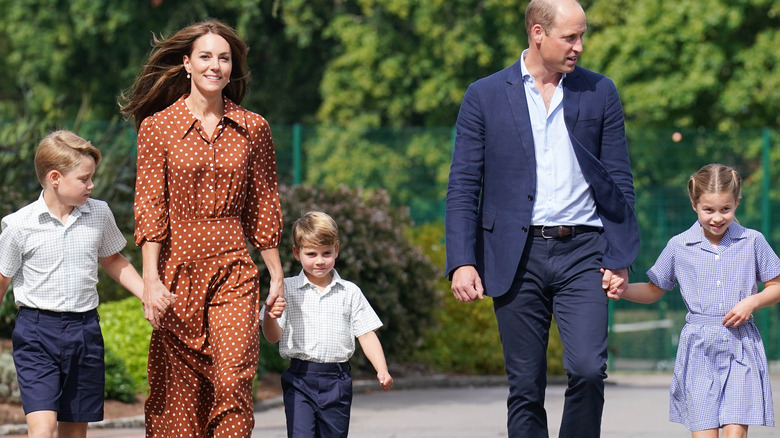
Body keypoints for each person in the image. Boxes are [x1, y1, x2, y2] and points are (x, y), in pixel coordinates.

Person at [444, 0, 640, 436]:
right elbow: (462, 185)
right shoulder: (485, 95)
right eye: (570, 37)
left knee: (589, 370)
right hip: (515, 255)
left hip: (584, 252)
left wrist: (620, 254)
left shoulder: (600, 91)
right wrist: (462, 259)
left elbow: (619, 182)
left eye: (582, 35)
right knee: (526, 386)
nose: (580, 47)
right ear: (537, 34)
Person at [119, 19, 284, 437]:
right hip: (178, 273)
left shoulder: (254, 128)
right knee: (180, 400)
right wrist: (151, 281)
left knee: (232, 380)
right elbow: (151, 207)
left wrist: (277, 273)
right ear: (187, 63)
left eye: (224, 58)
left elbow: (263, 205)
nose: (216, 66)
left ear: (233, 67)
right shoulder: (158, 128)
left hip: (234, 270)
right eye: (206, 56)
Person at [0, 130, 168, 438]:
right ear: (55, 178)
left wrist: (148, 293)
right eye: (84, 178)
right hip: (37, 333)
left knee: (75, 432)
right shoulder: (18, 226)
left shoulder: (98, 213)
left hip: (84, 331)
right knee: (42, 430)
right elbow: (1, 281)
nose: (91, 185)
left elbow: (114, 261)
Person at [616, 164, 779, 438]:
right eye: (709, 210)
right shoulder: (679, 245)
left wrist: (751, 302)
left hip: (741, 347)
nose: (717, 217)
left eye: (726, 209)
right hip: (698, 350)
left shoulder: (753, 241)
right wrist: (621, 290)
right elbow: (654, 289)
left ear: (737, 203)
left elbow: (776, 286)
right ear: (694, 205)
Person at [261, 211, 393, 437]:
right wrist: (270, 316)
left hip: (337, 381)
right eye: (311, 254)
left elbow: (366, 334)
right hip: (300, 379)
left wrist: (382, 369)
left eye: (326, 253)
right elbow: (273, 337)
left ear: (336, 251)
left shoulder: (350, 292)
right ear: (296, 252)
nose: (319, 261)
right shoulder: (287, 290)